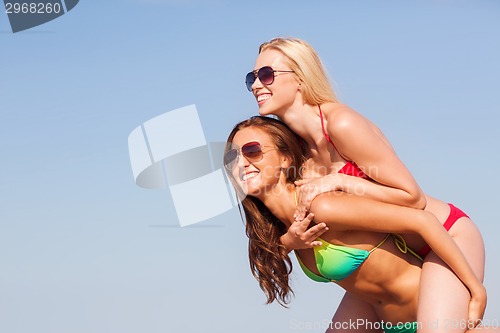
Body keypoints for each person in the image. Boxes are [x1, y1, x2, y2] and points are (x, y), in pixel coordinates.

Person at [245, 37, 486, 332]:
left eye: (266, 74)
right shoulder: (295, 152)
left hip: (445, 235)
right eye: (252, 77)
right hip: (397, 251)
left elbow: (413, 198)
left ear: (300, 78)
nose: (257, 85)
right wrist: (289, 242)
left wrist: (340, 180)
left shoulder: (340, 124)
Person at [224, 116, 490, 333]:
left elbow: (423, 220)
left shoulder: (322, 206)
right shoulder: (282, 228)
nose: (242, 163)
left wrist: (476, 291)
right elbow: (267, 258)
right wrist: (288, 243)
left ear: (285, 159)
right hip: (389, 325)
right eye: (232, 158)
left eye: (252, 151)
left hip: (434, 318)